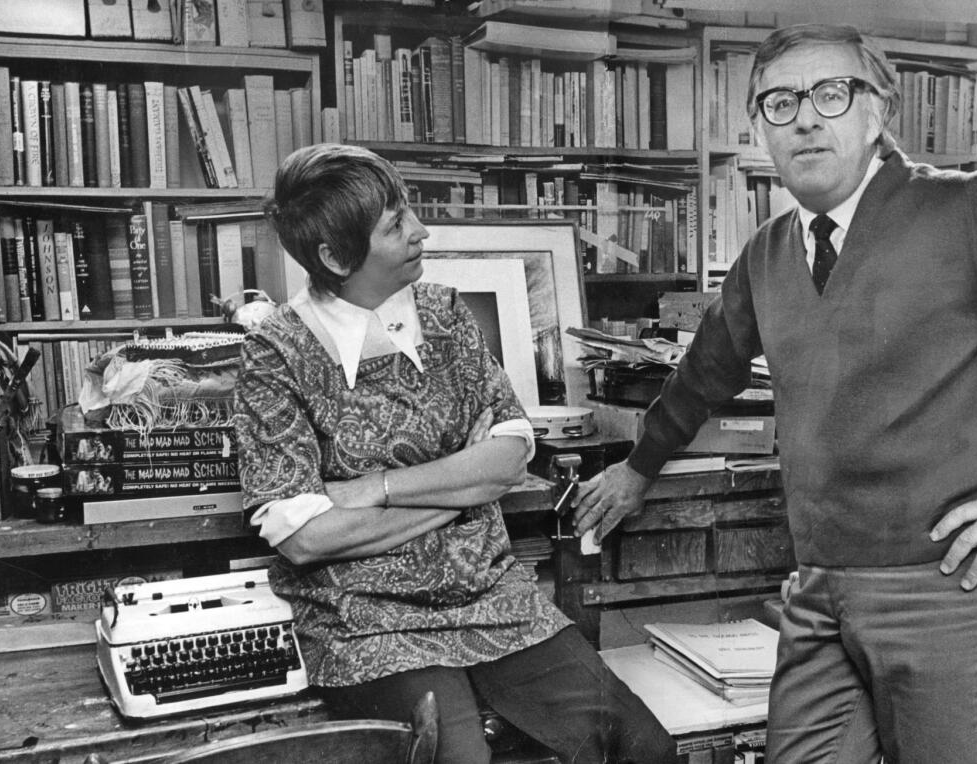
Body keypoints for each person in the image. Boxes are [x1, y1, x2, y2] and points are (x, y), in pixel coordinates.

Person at [572, 23, 977, 764]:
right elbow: (703, 374)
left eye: (830, 94)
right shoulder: (768, 253)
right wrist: (637, 468)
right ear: (759, 132)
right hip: (816, 590)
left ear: (879, 113)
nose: (804, 117)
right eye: (779, 102)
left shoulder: (972, 211)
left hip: (945, 589)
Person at [233, 143, 676, 764]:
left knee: (644, 748)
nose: (421, 231)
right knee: (459, 754)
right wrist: (463, 489)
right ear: (335, 257)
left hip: (492, 597)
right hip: (365, 618)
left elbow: (511, 453)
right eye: (395, 225)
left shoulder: (444, 314)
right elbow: (305, 539)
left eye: (409, 212)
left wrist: (375, 486)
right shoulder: (275, 354)